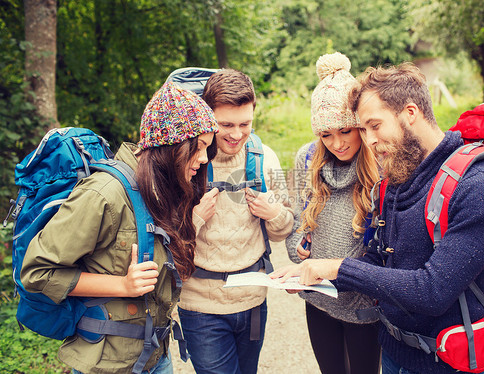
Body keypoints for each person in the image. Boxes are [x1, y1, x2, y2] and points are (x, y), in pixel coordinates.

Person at [271, 62, 484, 374]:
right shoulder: (398, 177)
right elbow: (379, 260)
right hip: (394, 352)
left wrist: (338, 267)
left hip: (446, 363)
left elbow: (432, 291)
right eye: (363, 129)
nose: (368, 140)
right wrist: (315, 272)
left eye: (374, 125)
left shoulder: (480, 187)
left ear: (409, 113)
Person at [20, 81, 218, 373]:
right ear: (171, 144)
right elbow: (36, 273)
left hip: (156, 357)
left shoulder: (163, 187)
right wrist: (122, 285)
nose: (203, 159)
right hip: (109, 365)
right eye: (199, 147)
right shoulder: (104, 194)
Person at [177, 69, 293, 374]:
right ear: (207, 117)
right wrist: (196, 219)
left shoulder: (263, 157)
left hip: (254, 302)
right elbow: (167, 240)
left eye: (245, 124)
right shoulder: (187, 163)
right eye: (225, 125)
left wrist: (275, 215)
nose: (236, 134)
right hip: (202, 308)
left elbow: (283, 229)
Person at [285, 52, 381, 374]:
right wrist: (299, 249)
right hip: (319, 299)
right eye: (326, 135)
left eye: (345, 130)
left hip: (364, 304)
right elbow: (298, 221)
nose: (337, 143)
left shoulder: (381, 165)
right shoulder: (306, 159)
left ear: (360, 126)